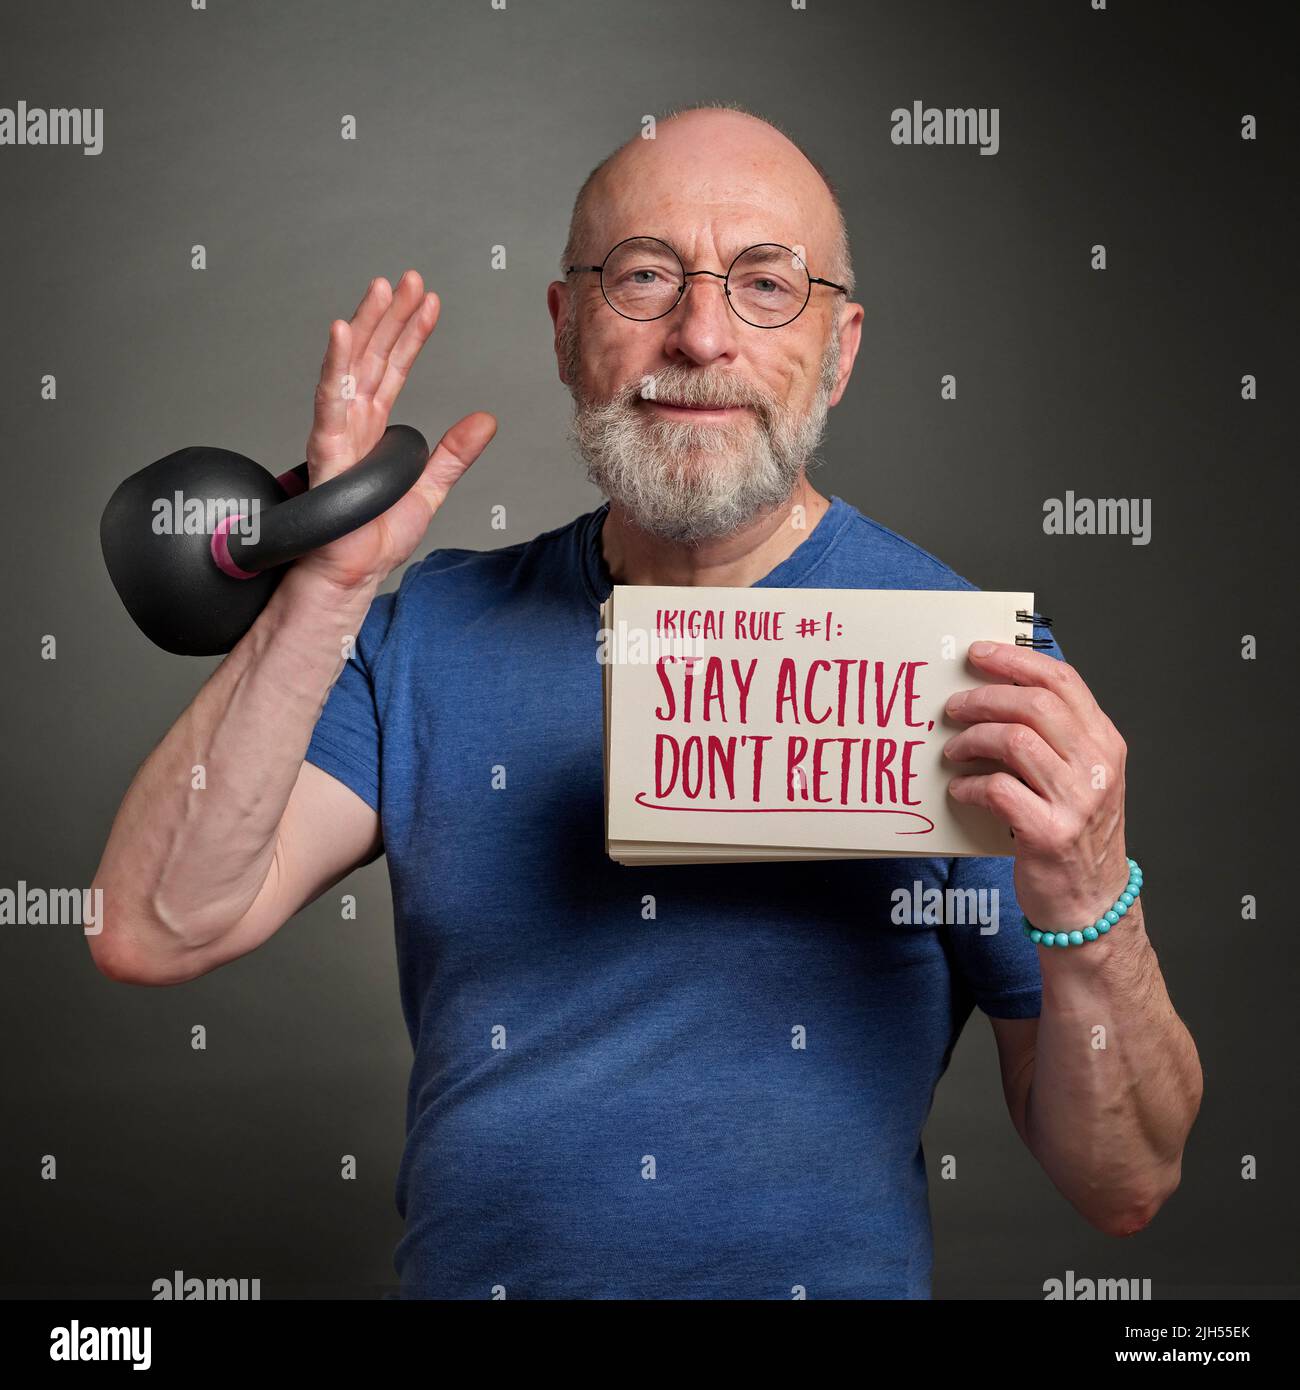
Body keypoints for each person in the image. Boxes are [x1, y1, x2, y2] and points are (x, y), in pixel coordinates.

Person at [89, 103, 1202, 1299]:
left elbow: (1123, 1181)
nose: (702, 335)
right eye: (644, 279)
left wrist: (1093, 893)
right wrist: (322, 595)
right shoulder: (433, 632)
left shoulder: (964, 670)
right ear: (568, 331)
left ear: (840, 347)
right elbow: (155, 925)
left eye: (766, 284)